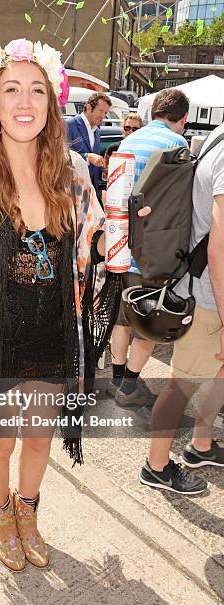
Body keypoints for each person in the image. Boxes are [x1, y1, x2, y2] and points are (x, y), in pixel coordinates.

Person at [0, 39, 149, 572]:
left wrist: (122, 234)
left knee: (39, 439)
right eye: (12, 90)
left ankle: (28, 515)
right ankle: (1, 519)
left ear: (53, 102)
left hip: (53, 334)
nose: (24, 102)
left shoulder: (73, 173)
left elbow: (93, 244)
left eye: (37, 91)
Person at [139, 122, 224, 495]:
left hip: (206, 289)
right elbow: (219, 251)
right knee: (181, 384)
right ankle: (156, 466)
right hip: (209, 296)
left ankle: (201, 445)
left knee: (217, 374)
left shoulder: (218, 135)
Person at [108, 90, 189, 409]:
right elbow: (180, 205)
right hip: (156, 248)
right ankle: (128, 387)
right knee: (150, 318)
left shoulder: (128, 141)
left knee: (123, 316)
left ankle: (117, 378)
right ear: (182, 119)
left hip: (122, 245)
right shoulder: (176, 145)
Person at [65, 92, 112, 197]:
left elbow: (95, 161)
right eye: (101, 111)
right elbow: (60, 156)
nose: (103, 116)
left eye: (105, 112)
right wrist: (86, 156)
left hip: (91, 192)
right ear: (89, 107)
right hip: (72, 190)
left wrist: (103, 171)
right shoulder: (69, 125)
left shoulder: (97, 131)